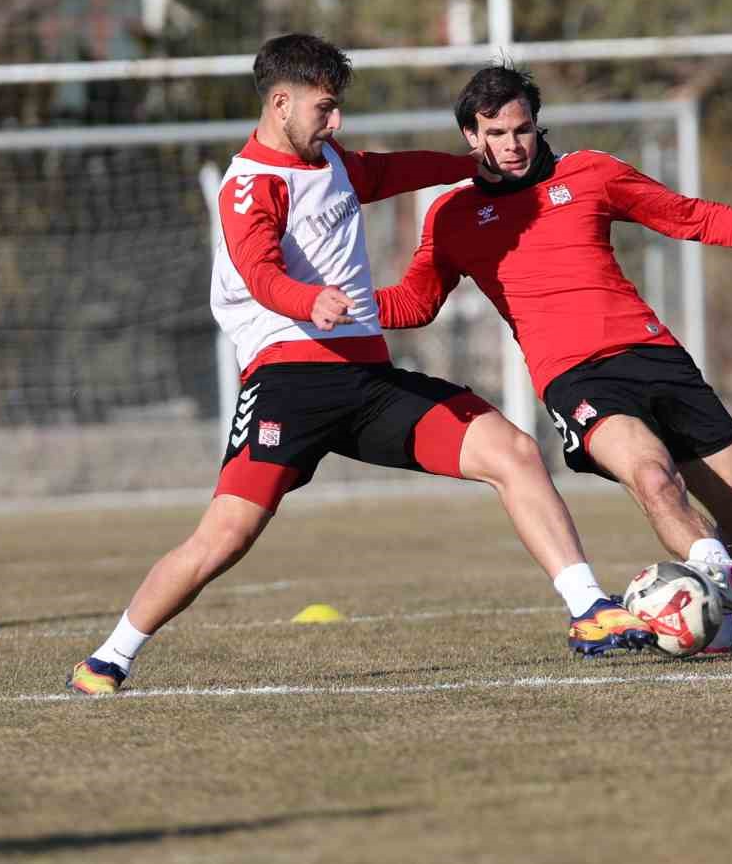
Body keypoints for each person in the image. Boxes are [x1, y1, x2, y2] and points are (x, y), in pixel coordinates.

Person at [68, 37, 655, 694]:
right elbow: (260, 273)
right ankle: (109, 656)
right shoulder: (248, 187)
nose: (336, 121)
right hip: (289, 388)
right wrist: (307, 297)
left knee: (512, 452)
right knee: (224, 539)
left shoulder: (335, 163)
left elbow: (390, 171)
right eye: (325, 108)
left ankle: (589, 609)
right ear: (281, 102)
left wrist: (468, 167)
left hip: (367, 383)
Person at [376, 65, 732, 655]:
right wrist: (330, 304)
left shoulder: (590, 172)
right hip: (575, 375)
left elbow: (686, 215)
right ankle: (714, 586)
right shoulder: (453, 215)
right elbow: (415, 302)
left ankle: (713, 622)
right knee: (652, 476)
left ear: (537, 125)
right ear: (471, 137)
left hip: (655, 356)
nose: (512, 145)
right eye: (496, 134)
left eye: (522, 130)